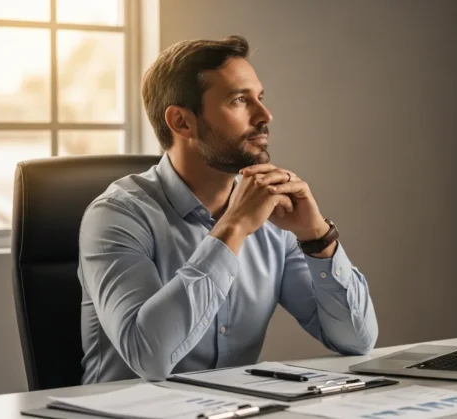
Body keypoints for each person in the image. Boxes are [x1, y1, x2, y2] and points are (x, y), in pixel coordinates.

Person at [77, 35, 378, 384]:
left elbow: (357, 340)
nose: (265, 115)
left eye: (260, 98)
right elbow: (149, 359)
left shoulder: (272, 215)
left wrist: (316, 237)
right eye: (239, 100)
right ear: (181, 122)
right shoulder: (116, 216)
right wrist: (232, 230)